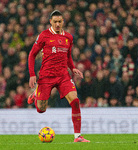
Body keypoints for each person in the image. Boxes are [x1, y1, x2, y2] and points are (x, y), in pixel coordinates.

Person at [27, 10, 90, 142]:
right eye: (55, 21)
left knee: (75, 101)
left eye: (59, 21)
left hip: (63, 76)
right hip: (46, 77)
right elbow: (32, 54)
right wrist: (32, 74)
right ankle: (36, 93)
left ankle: (77, 136)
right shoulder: (44, 35)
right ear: (50, 21)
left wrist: (72, 67)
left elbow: (68, 55)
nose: (57, 24)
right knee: (41, 110)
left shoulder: (68, 37)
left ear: (63, 22)